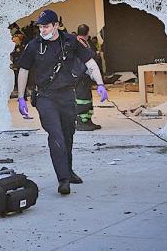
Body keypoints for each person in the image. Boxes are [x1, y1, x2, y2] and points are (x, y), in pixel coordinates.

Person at [16, 10, 108, 195]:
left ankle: (69, 171)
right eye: (41, 27)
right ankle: (63, 179)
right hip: (45, 97)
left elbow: (89, 62)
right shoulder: (34, 45)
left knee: (68, 134)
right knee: (56, 135)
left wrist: (100, 83)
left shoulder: (70, 41)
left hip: (66, 95)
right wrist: (21, 97)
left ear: (56, 25)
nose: (43, 30)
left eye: (46, 26)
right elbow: (24, 70)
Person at [74, 24, 102, 132]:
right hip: (80, 76)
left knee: (88, 98)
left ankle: (88, 120)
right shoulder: (79, 44)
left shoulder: (84, 43)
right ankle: (81, 121)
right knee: (82, 99)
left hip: (86, 75)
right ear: (88, 32)